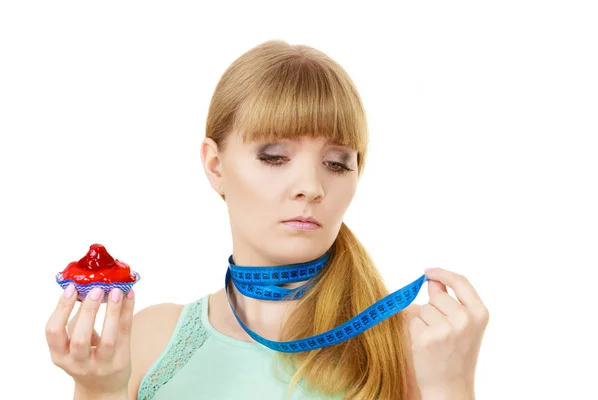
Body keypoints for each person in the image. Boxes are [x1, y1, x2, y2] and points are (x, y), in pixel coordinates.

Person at [45, 40, 489, 400]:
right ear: (215, 165)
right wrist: (98, 389)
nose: (311, 186)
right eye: (274, 156)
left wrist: (451, 388)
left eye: (337, 163)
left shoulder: (416, 345)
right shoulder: (150, 340)